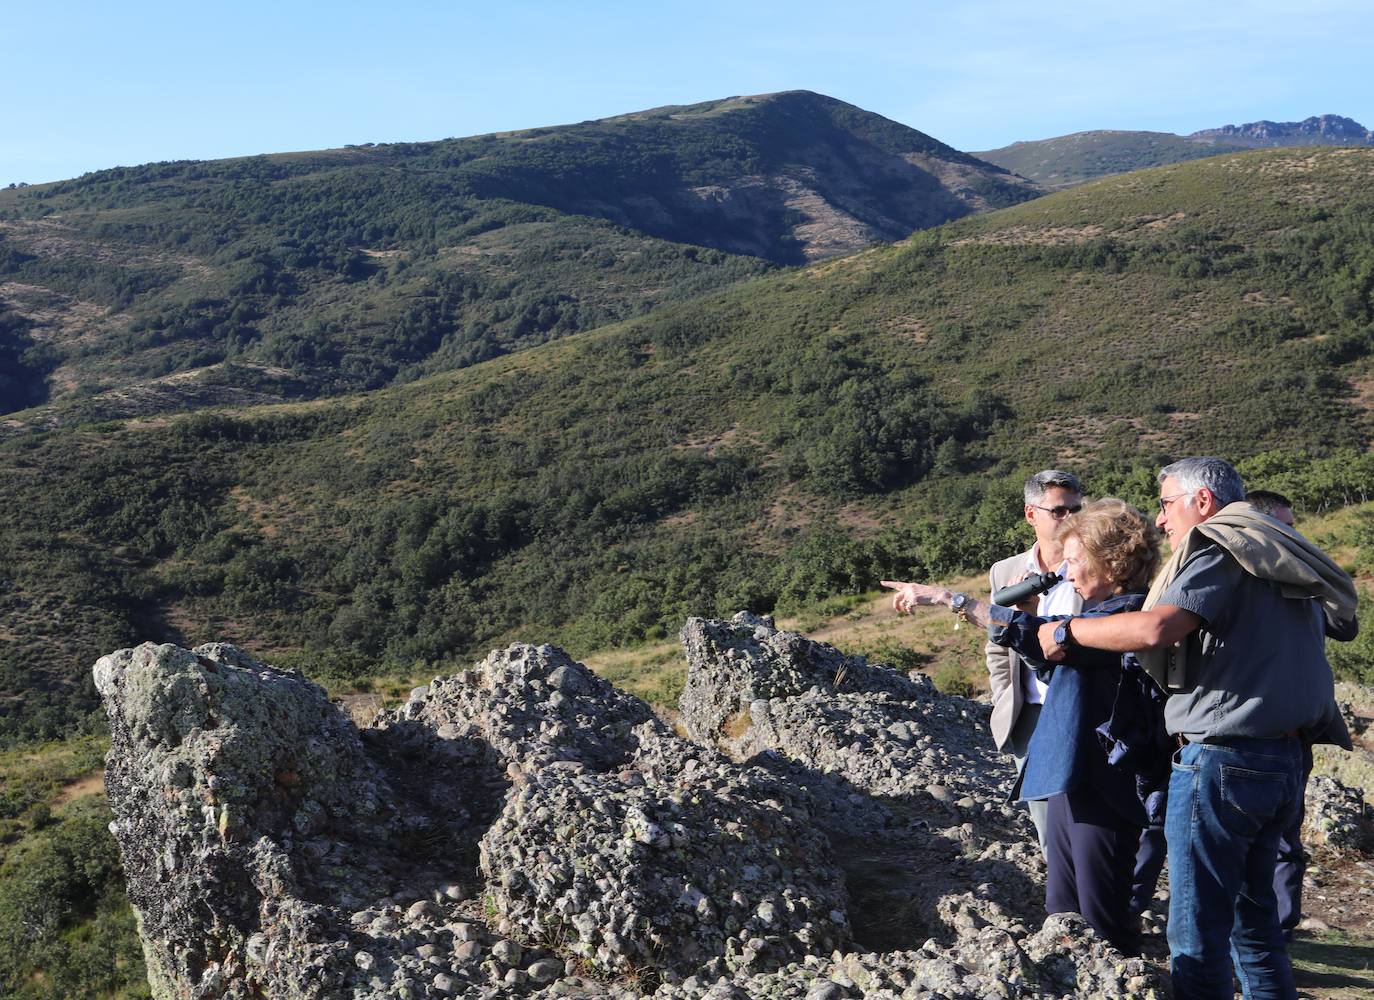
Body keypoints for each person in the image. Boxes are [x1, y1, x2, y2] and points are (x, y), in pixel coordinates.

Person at [1034, 457, 1357, 1000]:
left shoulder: (1220, 546)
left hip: (1222, 761)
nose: (1161, 522)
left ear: (1202, 502)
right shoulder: (1280, 550)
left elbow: (1159, 627)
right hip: (1284, 759)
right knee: (1253, 929)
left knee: (1194, 933)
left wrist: (1070, 630)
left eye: (1165, 505)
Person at [883, 498, 1165, 954]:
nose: (1068, 574)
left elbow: (1038, 639)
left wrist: (952, 599)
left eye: (1075, 561)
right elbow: (1046, 652)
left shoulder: (1124, 618)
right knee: (1063, 907)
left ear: (1111, 562)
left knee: (1102, 916)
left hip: (1104, 783)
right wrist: (1031, 619)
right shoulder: (1094, 617)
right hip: (1071, 775)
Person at [985, 470, 1085, 854]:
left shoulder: (1098, 566)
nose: (1071, 519)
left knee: (1087, 818)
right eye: (1059, 511)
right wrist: (1004, 695)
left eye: (1077, 509)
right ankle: (1064, 908)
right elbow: (997, 644)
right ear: (1031, 514)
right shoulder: (1005, 572)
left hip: (1081, 708)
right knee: (1045, 824)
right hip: (1029, 715)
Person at [1247, 488, 1312, 943]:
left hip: (1295, 731)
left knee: (1287, 838)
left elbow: (1345, 626)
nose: (1296, 535)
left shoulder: (1307, 577)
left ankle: (1282, 929)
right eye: (1287, 527)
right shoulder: (1238, 578)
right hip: (1244, 731)